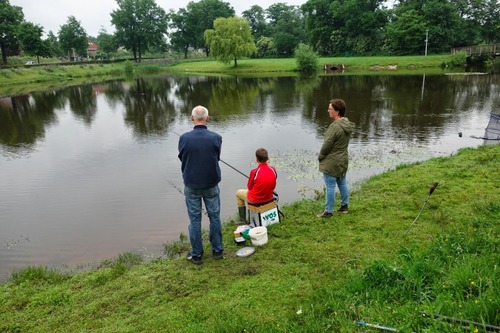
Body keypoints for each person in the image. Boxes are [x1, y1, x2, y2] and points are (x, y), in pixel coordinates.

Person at [178, 105, 223, 264]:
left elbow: (182, 157)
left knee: (195, 220)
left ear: (192, 118)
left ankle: (197, 254)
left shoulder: (184, 138)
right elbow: (216, 157)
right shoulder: (216, 137)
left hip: (191, 185)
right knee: (215, 216)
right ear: (207, 118)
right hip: (211, 184)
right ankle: (217, 250)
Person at [317, 98, 355, 218]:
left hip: (332, 161)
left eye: (330, 109)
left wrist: (321, 156)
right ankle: (344, 206)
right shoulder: (346, 123)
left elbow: (327, 145)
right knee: (342, 183)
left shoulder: (335, 127)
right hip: (343, 159)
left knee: (330, 186)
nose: (328, 110)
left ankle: (328, 211)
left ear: (337, 111)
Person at [236, 148, 277, 223]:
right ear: (268, 158)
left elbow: (249, 187)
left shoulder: (254, 172)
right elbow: (273, 184)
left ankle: (242, 220)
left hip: (255, 199)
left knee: (238, 193)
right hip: (269, 197)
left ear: (257, 159)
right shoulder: (273, 170)